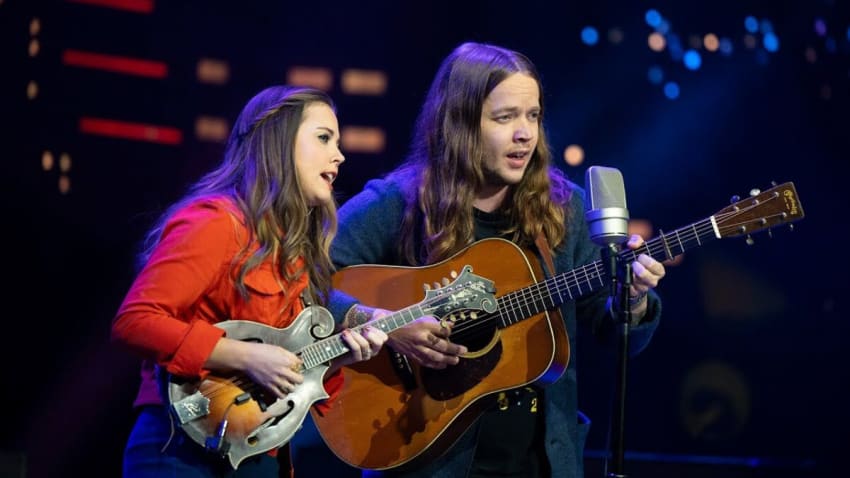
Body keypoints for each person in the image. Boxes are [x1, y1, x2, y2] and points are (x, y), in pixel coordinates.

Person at [323, 42, 666, 478]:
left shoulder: (565, 210)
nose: (525, 133)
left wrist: (632, 302)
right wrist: (383, 324)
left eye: (533, 116)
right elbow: (301, 279)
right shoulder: (399, 202)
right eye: (505, 118)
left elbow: (614, 332)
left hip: (539, 462)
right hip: (425, 456)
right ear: (460, 124)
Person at [111, 85, 389, 478]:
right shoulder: (216, 223)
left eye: (338, 142)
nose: (339, 155)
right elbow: (134, 322)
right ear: (279, 142)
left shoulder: (294, 252)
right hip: (182, 453)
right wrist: (245, 356)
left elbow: (284, 365)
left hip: (258, 455)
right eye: (324, 138)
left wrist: (341, 355)